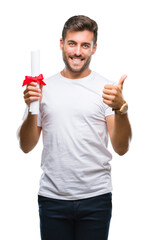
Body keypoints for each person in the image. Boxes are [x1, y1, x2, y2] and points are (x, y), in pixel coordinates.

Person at [19, 15, 132, 240]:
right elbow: (25, 145)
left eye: (85, 45)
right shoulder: (43, 88)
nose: (78, 52)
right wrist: (32, 107)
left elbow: (121, 147)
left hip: (96, 198)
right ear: (62, 44)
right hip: (52, 199)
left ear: (94, 48)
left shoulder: (106, 89)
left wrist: (121, 109)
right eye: (72, 43)